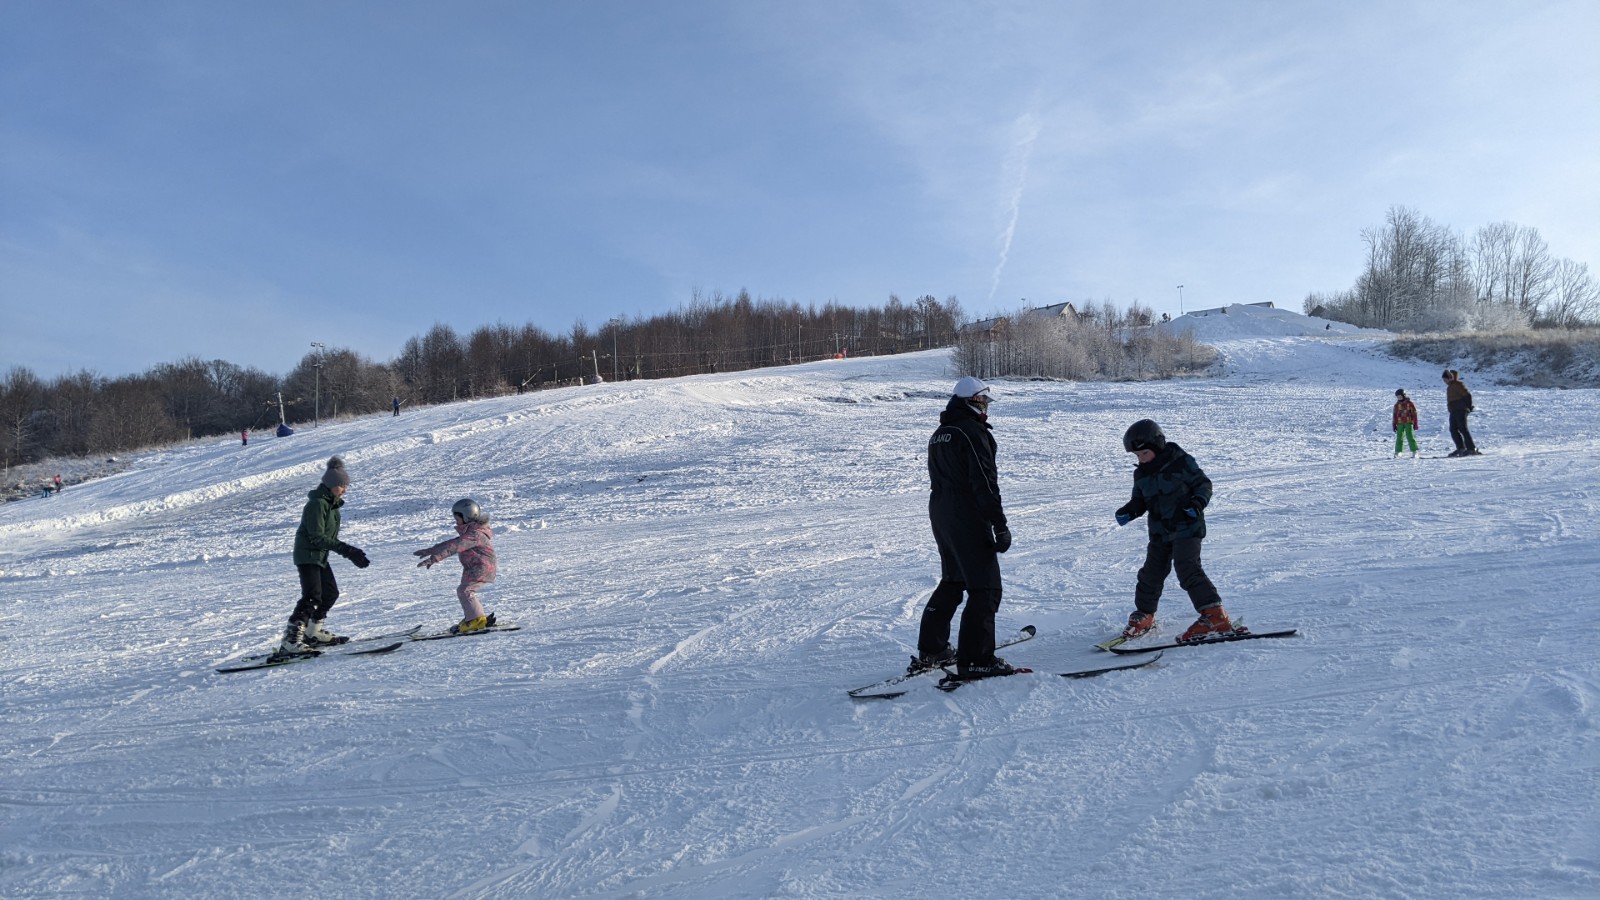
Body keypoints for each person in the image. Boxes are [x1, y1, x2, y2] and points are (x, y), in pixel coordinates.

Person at [913, 376, 1014, 679]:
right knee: (985, 587)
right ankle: (977, 658)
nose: (986, 407)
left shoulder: (940, 432)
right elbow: (984, 481)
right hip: (967, 514)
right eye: (984, 401)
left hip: (941, 513)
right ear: (972, 400)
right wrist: (999, 524)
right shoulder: (971, 431)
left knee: (954, 580)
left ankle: (933, 648)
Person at [1115, 419, 1241, 643]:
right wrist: (1129, 511)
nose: (1141, 459)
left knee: (1187, 569)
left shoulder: (1181, 462)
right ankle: (1145, 614)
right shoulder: (1142, 474)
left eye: (1144, 453)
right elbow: (1139, 501)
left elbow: (1203, 484)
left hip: (1187, 526)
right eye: (1137, 456)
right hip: (1160, 532)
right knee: (1150, 573)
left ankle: (1214, 615)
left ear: (1157, 446)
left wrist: (1197, 503)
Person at [277, 457, 370, 654]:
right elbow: (317, 537)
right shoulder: (317, 504)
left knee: (330, 593)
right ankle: (291, 641)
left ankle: (313, 632)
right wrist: (348, 550)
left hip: (319, 556)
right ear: (330, 485)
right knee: (312, 597)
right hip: (307, 555)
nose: (344, 489)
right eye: (341, 485)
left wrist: (348, 551)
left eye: (346, 485)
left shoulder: (332, 506)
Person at [414, 498, 499, 633]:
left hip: (481, 567)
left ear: (467, 516)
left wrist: (435, 558)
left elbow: (455, 547)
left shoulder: (475, 535)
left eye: (457, 517)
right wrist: (432, 550)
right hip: (473, 567)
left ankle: (477, 620)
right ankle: (473, 617)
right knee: (464, 591)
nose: (455, 520)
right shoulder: (471, 532)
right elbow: (451, 543)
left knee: (465, 591)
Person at [1442, 370, 1479, 457]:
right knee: (1453, 429)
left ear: (1450, 378)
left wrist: (1469, 407)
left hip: (1461, 409)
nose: (1444, 382)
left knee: (1463, 428)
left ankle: (1471, 448)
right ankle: (1461, 448)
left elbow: (1467, 395)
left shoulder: (1458, 384)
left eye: (1445, 379)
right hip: (1453, 410)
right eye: (1443, 380)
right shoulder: (1450, 387)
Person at [1392, 389, 1418, 458]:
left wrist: (1415, 423)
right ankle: (1398, 451)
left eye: (1400, 396)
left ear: (1404, 395)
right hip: (1399, 423)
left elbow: (1414, 413)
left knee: (1410, 436)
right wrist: (1394, 424)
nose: (1399, 398)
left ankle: (1414, 451)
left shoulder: (1409, 403)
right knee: (1399, 437)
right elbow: (1395, 415)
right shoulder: (1397, 405)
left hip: (1408, 422)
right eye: (1398, 397)